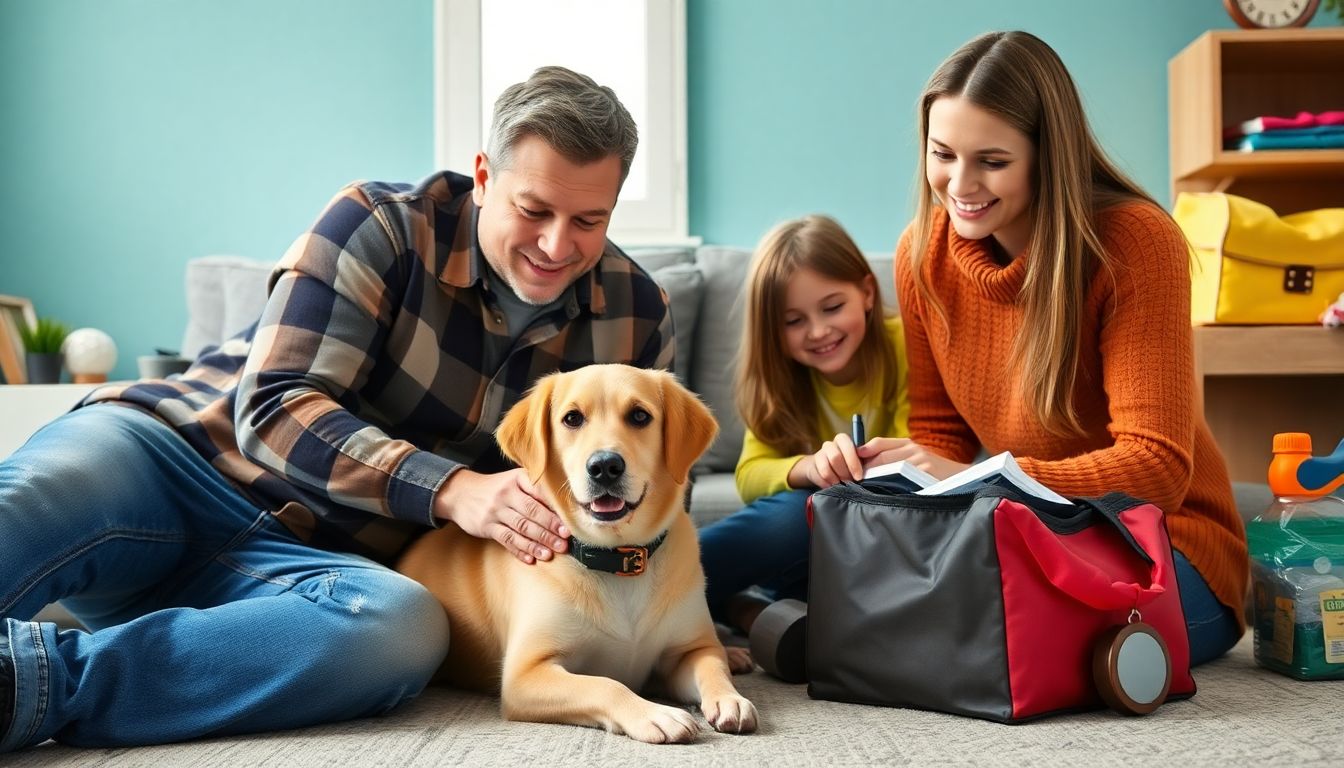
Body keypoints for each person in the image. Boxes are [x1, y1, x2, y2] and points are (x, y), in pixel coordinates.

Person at [0, 66, 674, 752]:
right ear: (483, 176)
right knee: (38, 500)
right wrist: (451, 488)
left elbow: (635, 490)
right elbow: (272, 407)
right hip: (169, 459)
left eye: (589, 221)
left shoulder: (636, 316)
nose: (558, 246)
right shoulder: (382, 224)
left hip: (318, 566)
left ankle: (29, 684)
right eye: (534, 210)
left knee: (400, 632)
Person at [870, 31, 1247, 666]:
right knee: (882, 593)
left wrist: (983, 483)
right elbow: (941, 432)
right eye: (942, 154)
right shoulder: (920, 254)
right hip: (1036, 532)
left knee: (996, 640)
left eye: (992, 161)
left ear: (1050, 155)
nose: (959, 184)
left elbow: (1156, 469)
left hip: (1163, 542)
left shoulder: (1134, 243)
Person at [698, 215, 910, 636]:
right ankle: (677, 590)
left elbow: (919, 454)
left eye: (833, 307)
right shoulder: (776, 377)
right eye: (793, 321)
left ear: (867, 293)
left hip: (883, 534)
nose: (818, 331)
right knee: (798, 514)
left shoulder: (905, 346)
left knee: (811, 517)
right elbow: (750, 475)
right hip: (805, 544)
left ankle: (746, 609)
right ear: (772, 330)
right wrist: (809, 469)